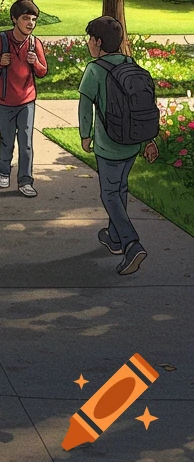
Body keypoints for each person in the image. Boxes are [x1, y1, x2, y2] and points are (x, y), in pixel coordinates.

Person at [79, 15, 160, 276]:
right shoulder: (130, 64)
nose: (89, 44)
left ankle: (130, 243)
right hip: (132, 143)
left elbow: (85, 105)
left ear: (98, 42)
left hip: (109, 144)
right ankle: (114, 238)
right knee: (120, 189)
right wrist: (148, 140)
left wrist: (85, 135)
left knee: (109, 193)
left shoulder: (95, 69)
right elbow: (142, 106)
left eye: (90, 39)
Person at [0, 0, 48, 197]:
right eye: (26, 18)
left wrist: (35, 63)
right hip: (4, 99)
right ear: (14, 19)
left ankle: (25, 181)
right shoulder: (0, 40)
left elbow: (43, 71)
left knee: (26, 143)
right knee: (7, 140)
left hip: (27, 100)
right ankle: (4, 171)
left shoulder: (35, 43)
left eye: (33, 19)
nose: (30, 23)